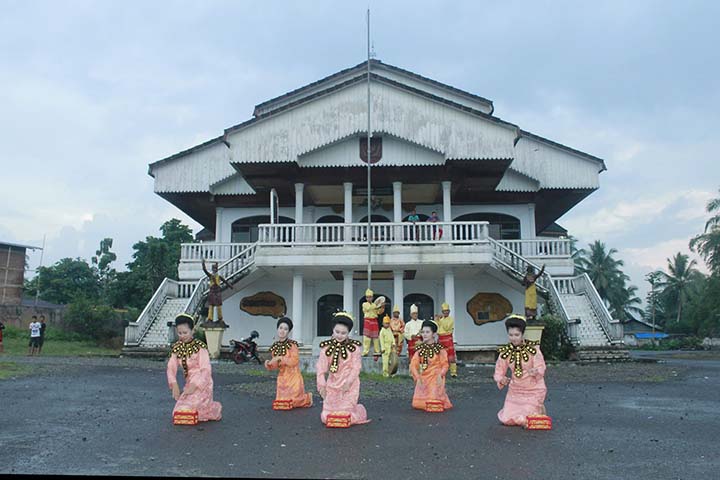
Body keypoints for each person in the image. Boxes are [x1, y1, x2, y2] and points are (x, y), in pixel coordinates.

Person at [316, 311, 370, 427]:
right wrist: (322, 386)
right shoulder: (326, 348)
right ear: (332, 330)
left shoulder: (354, 348)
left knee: (346, 416)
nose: (340, 335)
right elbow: (321, 368)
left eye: (343, 333)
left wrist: (348, 382)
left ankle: (357, 410)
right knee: (326, 417)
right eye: (337, 332)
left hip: (349, 386)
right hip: (332, 385)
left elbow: (356, 368)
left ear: (348, 333)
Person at [166, 313, 222, 422]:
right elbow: (171, 367)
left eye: (185, 332)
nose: (182, 335)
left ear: (192, 331)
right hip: (189, 383)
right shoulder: (177, 348)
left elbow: (206, 370)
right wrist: (174, 384)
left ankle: (211, 408)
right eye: (179, 333)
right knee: (179, 411)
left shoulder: (200, 347)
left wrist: (195, 385)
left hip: (203, 383)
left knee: (193, 409)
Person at [494, 315, 547, 427]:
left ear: (523, 334)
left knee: (526, 418)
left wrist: (536, 371)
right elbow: (499, 370)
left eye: (517, 335)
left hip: (533, 388)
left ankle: (538, 407)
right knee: (507, 419)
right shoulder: (505, 352)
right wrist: (501, 379)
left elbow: (541, 366)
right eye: (511, 335)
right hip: (515, 389)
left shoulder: (533, 349)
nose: (514, 338)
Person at [265, 317, 312, 410]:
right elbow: (276, 365)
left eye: (285, 329)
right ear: (277, 329)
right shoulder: (275, 347)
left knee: (293, 402)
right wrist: (269, 364)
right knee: (282, 403)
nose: (282, 331)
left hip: (293, 377)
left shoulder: (292, 345)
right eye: (280, 328)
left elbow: (294, 361)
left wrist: (280, 358)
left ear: (288, 332)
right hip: (282, 379)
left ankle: (307, 398)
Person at [410, 320, 452, 411]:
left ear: (433, 334)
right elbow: (413, 365)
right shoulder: (420, 350)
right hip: (424, 377)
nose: (424, 334)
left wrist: (441, 374)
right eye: (423, 332)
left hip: (436, 376)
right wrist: (417, 377)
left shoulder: (440, 350)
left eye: (427, 332)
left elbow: (445, 365)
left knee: (434, 404)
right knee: (417, 404)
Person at [201, 257, 234, 325]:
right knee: (211, 305)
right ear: (212, 269)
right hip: (212, 291)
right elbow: (205, 270)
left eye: (216, 269)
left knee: (219, 305)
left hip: (218, 291)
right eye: (214, 269)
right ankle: (210, 318)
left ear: (217, 269)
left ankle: (220, 318)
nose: (215, 270)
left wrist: (230, 286)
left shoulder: (219, 277)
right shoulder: (211, 276)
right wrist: (203, 263)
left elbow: (225, 281)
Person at [434, 303, 457, 377]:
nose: (445, 312)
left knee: (451, 356)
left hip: (448, 339)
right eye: (444, 311)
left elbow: (446, 327)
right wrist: (436, 320)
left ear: (449, 311)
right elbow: (437, 327)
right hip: (440, 338)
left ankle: (453, 372)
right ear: (442, 312)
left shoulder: (451, 319)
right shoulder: (441, 319)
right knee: (440, 356)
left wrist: (440, 320)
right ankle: (441, 372)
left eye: (447, 311)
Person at [361, 289, 383, 358]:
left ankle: (377, 351)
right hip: (367, 321)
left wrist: (382, 307)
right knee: (366, 337)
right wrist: (377, 305)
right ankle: (365, 351)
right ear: (366, 298)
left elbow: (379, 312)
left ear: (372, 297)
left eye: (370, 297)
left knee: (375, 337)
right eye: (367, 297)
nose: (369, 298)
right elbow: (368, 308)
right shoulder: (364, 304)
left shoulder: (374, 305)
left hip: (374, 321)